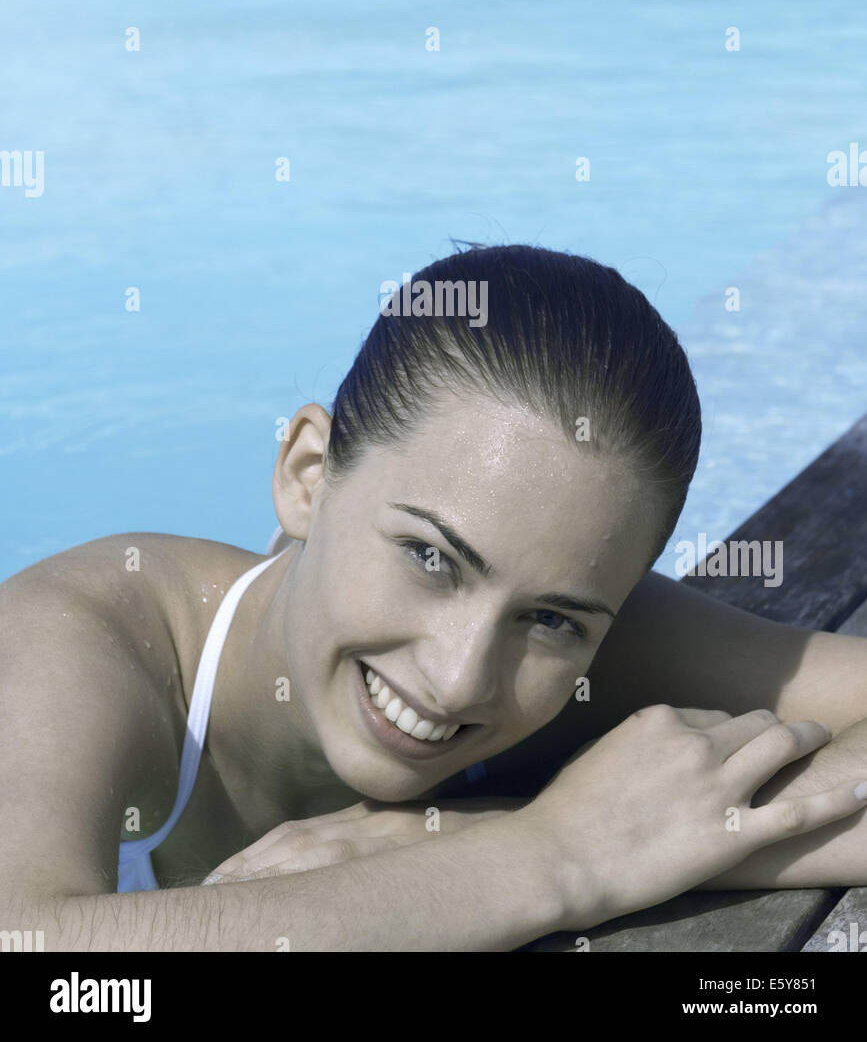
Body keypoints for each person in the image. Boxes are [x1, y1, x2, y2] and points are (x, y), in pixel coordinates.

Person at [2, 243, 867, 952]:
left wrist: (481, 831)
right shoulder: (79, 641)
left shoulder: (599, 642)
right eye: (428, 556)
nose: (457, 680)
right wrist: (551, 855)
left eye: (551, 620)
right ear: (307, 476)